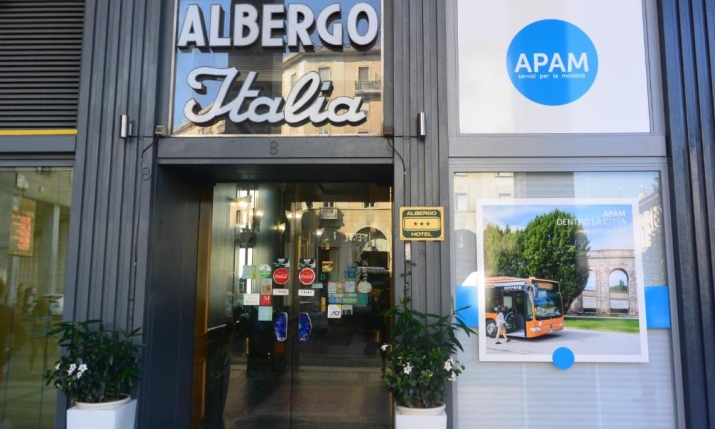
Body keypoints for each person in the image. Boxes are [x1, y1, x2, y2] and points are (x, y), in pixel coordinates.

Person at [0, 279, 28, 384]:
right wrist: (7, 355)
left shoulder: (6, 312)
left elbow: (23, 336)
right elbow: (23, 336)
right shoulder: (6, 312)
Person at [29, 298, 51, 376]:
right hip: (36, 335)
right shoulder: (36, 312)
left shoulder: (49, 312)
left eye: (47, 304)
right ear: (40, 304)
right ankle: (32, 370)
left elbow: (49, 323)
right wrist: (45, 326)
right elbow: (37, 323)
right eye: (45, 304)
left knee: (45, 353)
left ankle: (45, 369)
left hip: (45, 334)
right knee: (34, 352)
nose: (46, 305)